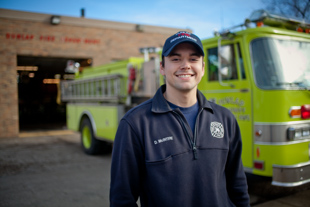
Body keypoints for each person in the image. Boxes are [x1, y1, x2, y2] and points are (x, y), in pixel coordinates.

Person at [110, 31, 250, 207]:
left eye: (193, 59)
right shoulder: (135, 124)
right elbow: (122, 199)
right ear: (162, 67)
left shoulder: (225, 119)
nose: (186, 65)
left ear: (203, 67)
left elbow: (238, 186)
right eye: (176, 59)